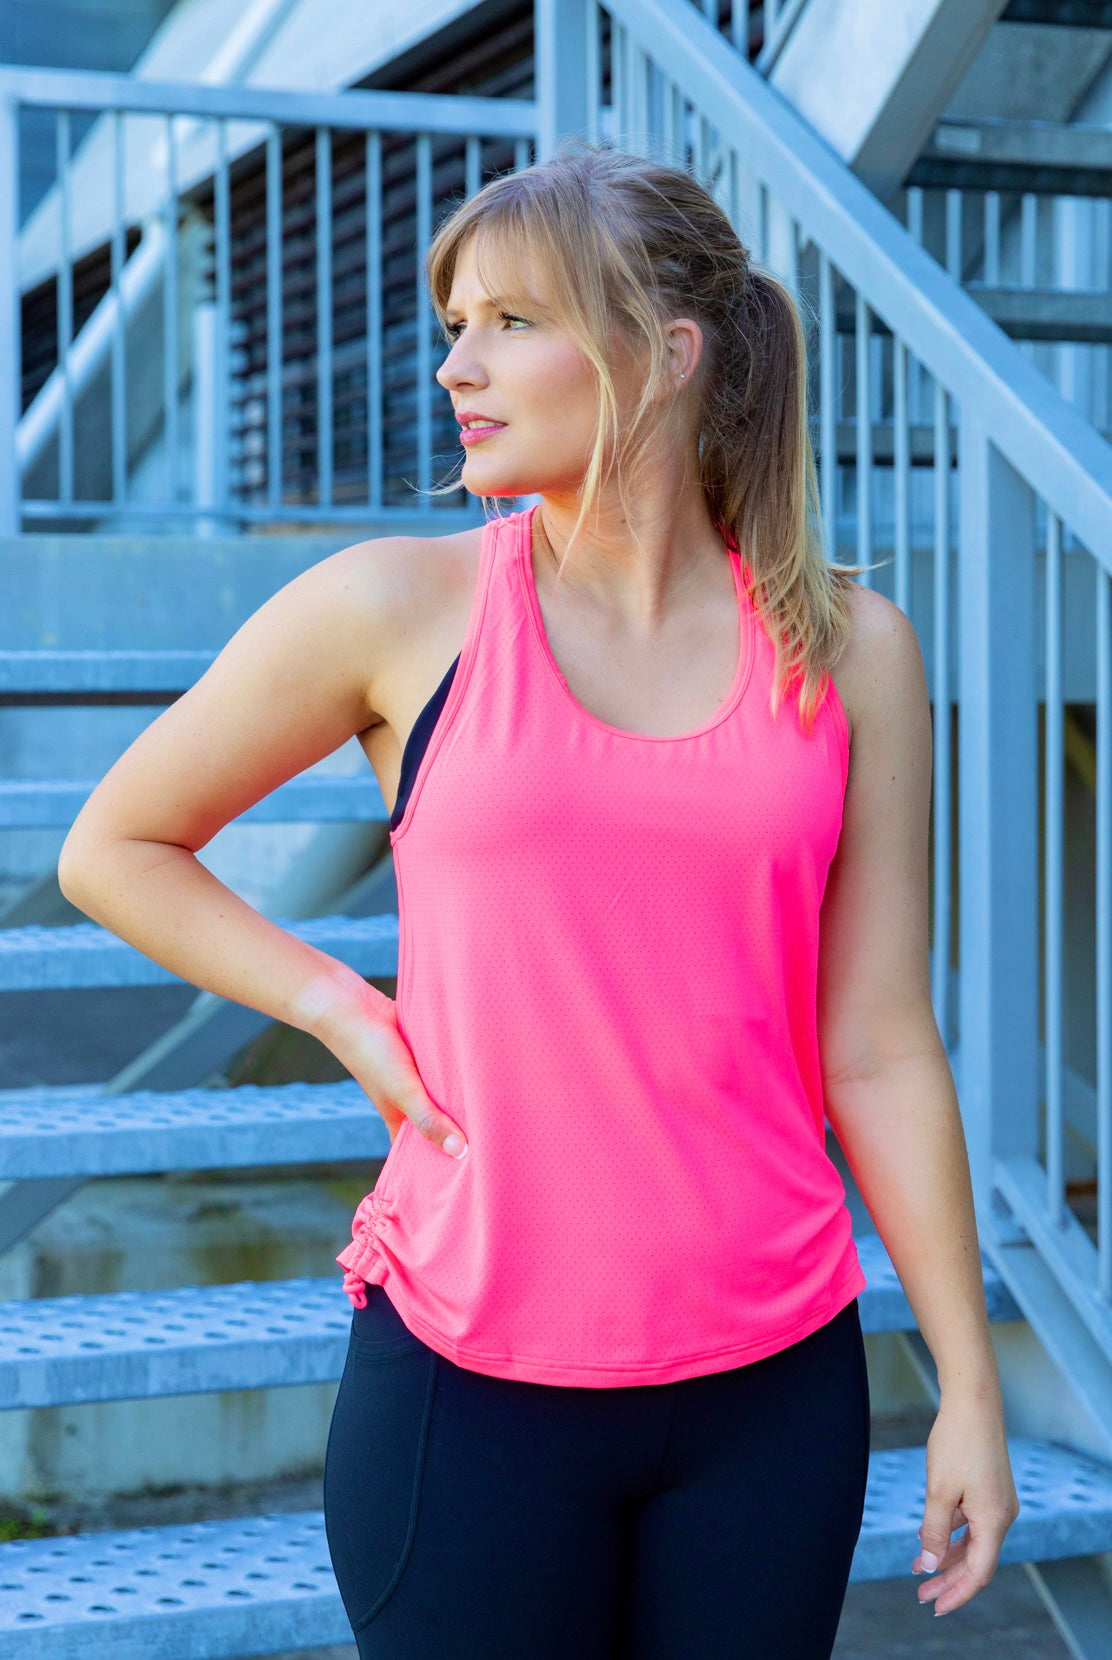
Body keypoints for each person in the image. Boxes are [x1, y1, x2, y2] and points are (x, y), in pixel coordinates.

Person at [57, 138, 1020, 1659]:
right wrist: (338, 1008)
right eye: (455, 323)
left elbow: (882, 1043)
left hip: (773, 1393)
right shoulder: (400, 606)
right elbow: (114, 844)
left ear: (668, 354)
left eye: (512, 321)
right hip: (469, 1387)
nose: (458, 365)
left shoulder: (854, 653)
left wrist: (968, 1384)